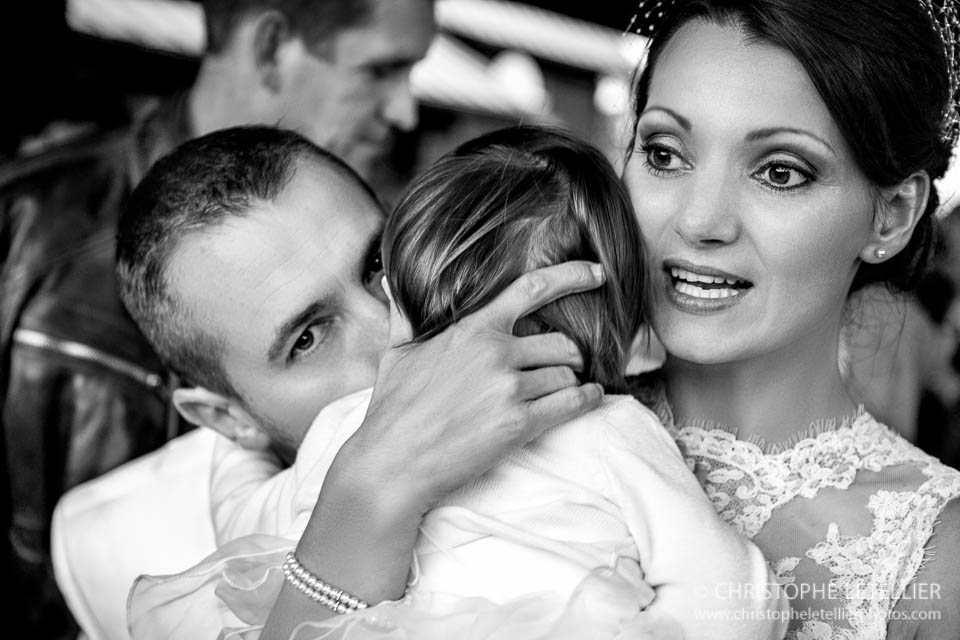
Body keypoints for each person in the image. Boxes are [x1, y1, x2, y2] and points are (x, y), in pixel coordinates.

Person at [123, 125, 789, 640]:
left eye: (383, 267)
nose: (391, 331)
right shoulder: (134, 545)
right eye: (308, 338)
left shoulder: (620, 419)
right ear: (226, 419)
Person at [0, 0, 433, 634]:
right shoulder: (23, 231)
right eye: (380, 69)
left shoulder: (410, 234)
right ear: (269, 46)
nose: (405, 112)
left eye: (376, 266)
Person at [619, 0, 960, 638]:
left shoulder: (938, 559)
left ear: (891, 214)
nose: (699, 222)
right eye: (665, 154)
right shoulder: (521, 423)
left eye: (780, 172)